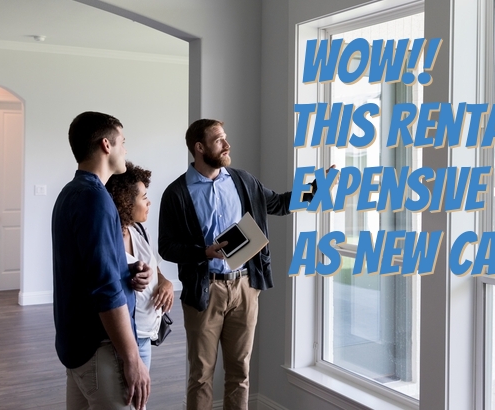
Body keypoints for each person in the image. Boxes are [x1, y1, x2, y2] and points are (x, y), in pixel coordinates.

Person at [158, 119, 313, 410]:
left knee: (240, 372)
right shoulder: (176, 193)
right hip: (205, 291)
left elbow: (279, 203)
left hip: (244, 288)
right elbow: (166, 247)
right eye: (219, 140)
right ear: (200, 148)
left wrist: (316, 188)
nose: (227, 145)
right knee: (201, 375)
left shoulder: (243, 181)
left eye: (225, 138)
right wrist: (204, 252)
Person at [52, 111, 151, 410]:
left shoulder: (71, 193)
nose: (126, 150)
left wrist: (126, 268)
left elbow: (86, 269)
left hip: (78, 348)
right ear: (106, 145)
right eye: (123, 142)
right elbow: (104, 289)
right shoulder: (95, 198)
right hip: (101, 349)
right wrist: (132, 357)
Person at [106, 161, 175, 370]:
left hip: (146, 336)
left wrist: (165, 283)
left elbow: (155, 267)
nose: (149, 203)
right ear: (126, 202)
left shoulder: (139, 230)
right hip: (124, 341)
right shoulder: (109, 239)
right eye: (144, 198)